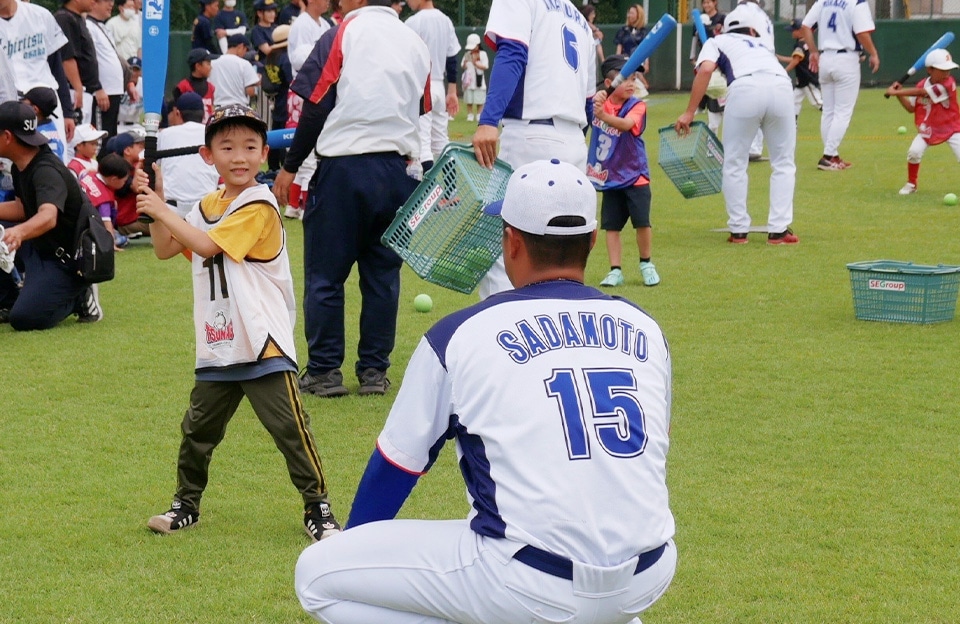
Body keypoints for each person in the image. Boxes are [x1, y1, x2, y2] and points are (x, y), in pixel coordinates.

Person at [294, 158, 677, 624]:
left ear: (511, 241)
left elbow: (396, 465)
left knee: (316, 576)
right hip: (648, 574)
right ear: (593, 240)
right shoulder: (645, 327)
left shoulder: (460, 334)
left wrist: (356, 548)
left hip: (527, 581)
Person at [137, 104, 342, 542]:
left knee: (290, 429)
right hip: (219, 339)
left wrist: (163, 209)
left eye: (250, 147)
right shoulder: (206, 206)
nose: (239, 156)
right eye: (227, 146)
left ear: (264, 154)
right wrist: (156, 206)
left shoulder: (259, 204)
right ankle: (185, 505)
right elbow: (166, 248)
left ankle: (318, 509)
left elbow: (208, 247)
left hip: (262, 339)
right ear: (208, 155)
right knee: (197, 431)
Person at [273, 0, 430, 398]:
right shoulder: (414, 41)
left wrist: (290, 166)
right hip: (398, 172)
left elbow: (315, 107)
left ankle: (325, 371)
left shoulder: (341, 32)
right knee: (382, 277)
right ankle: (374, 372)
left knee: (326, 276)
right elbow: (422, 112)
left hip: (344, 170)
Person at [471, 0, 595, 300]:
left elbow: (512, 53)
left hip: (530, 138)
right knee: (559, 255)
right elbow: (589, 103)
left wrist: (488, 120)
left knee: (503, 252)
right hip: (574, 142)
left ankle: (504, 339)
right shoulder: (579, 18)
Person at [675, 5, 798, 245]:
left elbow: (706, 70)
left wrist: (690, 111)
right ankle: (779, 230)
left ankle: (739, 230)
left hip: (744, 89)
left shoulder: (716, 40)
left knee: (734, 162)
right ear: (752, 30)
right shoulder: (763, 44)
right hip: (781, 86)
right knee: (783, 163)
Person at [0, 101, 102, 329]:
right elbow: (24, 209)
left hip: (65, 260)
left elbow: (48, 216)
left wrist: (18, 232)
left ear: (7, 136)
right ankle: (8, 300)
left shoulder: (46, 169)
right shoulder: (21, 165)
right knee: (18, 310)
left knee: (25, 319)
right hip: (41, 246)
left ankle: (80, 293)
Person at [588, 56, 659, 288]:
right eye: (625, 79)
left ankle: (647, 264)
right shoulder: (600, 103)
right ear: (609, 83)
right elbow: (589, 109)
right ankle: (615, 270)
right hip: (610, 175)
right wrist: (597, 100)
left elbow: (627, 125)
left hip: (635, 174)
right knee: (611, 226)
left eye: (633, 78)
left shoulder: (637, 105)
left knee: (642, 223)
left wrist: (603, 115)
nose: (631, 83)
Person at [800, 0, 879, 171]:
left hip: (825, 57)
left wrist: (813, 51)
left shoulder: (823, 1)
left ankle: (832, 156)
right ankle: (828, 156)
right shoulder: (857, 3)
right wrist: (873, 53)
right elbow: (862, 33)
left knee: (829, 111)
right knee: (843, 112)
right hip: (846, 58)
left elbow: (806, 26)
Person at [0, 0, 76, 146]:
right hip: (9, 104)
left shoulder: (40, 15)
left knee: (55, 156)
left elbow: (56, 67)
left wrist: (68, 112)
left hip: (47, 103)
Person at [885, 49, 960, 196]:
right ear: (930, 69)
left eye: (949, 69)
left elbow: (922, 93)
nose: (947, 73)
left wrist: (896, 92)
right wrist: (898, 95)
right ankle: (911, 184)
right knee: (914, 152)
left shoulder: (948, 84)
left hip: (951, 126)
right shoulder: (920, 85)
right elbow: (911, 108)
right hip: (929, 127)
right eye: (943, 70)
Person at [405, 0, 460, 170]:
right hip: (439, 85)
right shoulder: (446, 20)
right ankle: (452, 192)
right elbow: (452, 59)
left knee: (423, 143)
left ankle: (430, 192)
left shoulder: (413, 21)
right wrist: (452, 91)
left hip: (422, 86)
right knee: (442, 141)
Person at [156, 92, 221, 217]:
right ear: (203, 115)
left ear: (177, 113)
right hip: (207, 209)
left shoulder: (166, 134)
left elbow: (146, 162)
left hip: (172, 211)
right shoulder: (213, 134)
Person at [56, 0, 108, 136]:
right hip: (74, 90)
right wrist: (78, 87)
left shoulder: (78, 18)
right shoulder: (64, 18)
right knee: (76, 139)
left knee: (85, 138)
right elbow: (66, 57)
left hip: (84, 90)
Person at [86, 0, 128, 148]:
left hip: (114, 90)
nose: (111, 4)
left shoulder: (103, 27)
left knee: (111, 134)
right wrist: (98, 88)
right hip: (103, 91)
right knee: (100, 135)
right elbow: (89, 61)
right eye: (107, 1)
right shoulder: (88, 26)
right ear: (94, 3)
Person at [77, 152, 131, 248]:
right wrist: (111, 245)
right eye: (124, 181)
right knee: (122, 240)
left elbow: (81, 174)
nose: (125, 183)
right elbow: (106, 221)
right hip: (85, 228)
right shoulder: (103, 199)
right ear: (114, 179)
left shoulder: (90, 174)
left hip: (78, 218)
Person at [690, 0, 726, 134]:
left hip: (720, 59)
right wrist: (693, 58)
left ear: (715, 3)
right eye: (704, 3)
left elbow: (725, 37)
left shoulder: (722, 18)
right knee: (710, 88)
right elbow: (695, 40)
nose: (706, 5)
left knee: (722, 90)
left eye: (709, 2)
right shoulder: (699, 20)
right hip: (706, 59)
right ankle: (703, 106)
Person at [261, 24, 293, 172]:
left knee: (276, 132)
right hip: (287, 102)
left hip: (276, 101)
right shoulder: (286, 59)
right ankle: (284, 165)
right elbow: (291, 80)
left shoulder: (271, 57)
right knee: (286, 136)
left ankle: (272, 167)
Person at [779, 19, 822, 122]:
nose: (792, 32)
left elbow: (796, 61)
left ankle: (834, 116)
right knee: (794, 101)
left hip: (806, 79)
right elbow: (797, 59)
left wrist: (784, 72)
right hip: (803, 80)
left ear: (800, 31)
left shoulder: (799, 44)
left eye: (793, 30)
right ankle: (793, 124)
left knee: (817, 102)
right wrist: (780, 58)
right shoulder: (805, 42)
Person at [211, 35, 261, 107]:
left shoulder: (212, 64)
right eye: (246, 49)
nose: (245, 53)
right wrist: (257, 83)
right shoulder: (244, 64)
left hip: (217, 110)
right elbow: (250, 92)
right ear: (240, 46)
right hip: (238, 109)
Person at [173, 49, 217, 123]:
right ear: (198, 66)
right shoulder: (182, 87)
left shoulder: (211, 87)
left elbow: (212, 110)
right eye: (208, 64)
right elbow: (175, 114)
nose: (211, 68)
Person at [22, 87, 66, 161]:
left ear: (35, 109)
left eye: (24, 103)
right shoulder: (51, 126)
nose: (21, 105)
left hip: (46, 170)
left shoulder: (37, 134)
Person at [460, 33, 487, 123]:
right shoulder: (467, 54)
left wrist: (476, 63)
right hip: (469, 80)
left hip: (478, 80)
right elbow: (463, 65)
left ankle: (479, 115)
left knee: (479, 99)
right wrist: (465, 62)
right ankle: (470, 115)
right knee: (469, 99)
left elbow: (485, 66)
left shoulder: (483, 54)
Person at [118, 56, 144, 132]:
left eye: (136, 70)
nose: (133, 73)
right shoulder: (118, 83)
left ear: (141, 72)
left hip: (137, 126)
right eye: (131, 69)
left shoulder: (145, 85)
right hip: (119, 126)